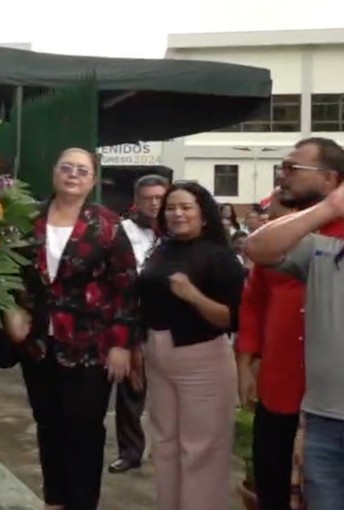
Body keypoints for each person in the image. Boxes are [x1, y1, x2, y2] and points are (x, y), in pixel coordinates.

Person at [3, 147, 138, 510]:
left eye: (82, 170)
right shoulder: (27, 219)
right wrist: (9, 311)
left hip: (90, 344)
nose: (73, 175)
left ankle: (81, 503)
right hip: (39, 343)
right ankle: (55, 501)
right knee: (48, 425)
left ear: (92, 180)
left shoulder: (107, 225)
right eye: (66, 168)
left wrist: (121, 344)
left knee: (84, 431)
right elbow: (6, 275)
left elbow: (125, 286)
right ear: (54, 174)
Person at [244, 138, 344, 510]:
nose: (282, 176)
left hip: (323, 402)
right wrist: (247, 359)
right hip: (291, 389)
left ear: (331, 178)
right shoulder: (305, 235)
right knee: (275, 487)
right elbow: (256, 280)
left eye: (292, 169)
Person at [133, 181, 244, 510]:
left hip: (202, 357)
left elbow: (233, 318)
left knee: (201, 450)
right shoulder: (161, 249)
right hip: (158, 353)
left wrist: (193, 296)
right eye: (171, 208)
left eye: (185, 207)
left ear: (204, 215)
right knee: (165, 445)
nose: (177, 214)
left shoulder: (220, 257)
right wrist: (139, 347)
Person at [109, 174, 168, 475]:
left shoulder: (176, 232)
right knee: (132, 387)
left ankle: (169, 450)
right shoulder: (122, 232)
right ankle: (130, 451)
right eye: (148, 198)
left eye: (160, 198)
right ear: (137, 199)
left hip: (170, 321)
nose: (154, 204)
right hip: (133, 318)